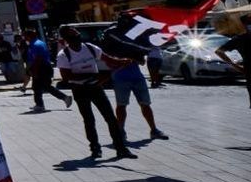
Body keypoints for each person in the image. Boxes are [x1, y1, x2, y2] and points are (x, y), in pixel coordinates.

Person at [56, 25, 136, 160]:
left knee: (111, 118)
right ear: (66, 39)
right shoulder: (64, 55)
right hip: (80, 90)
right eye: (73, 35)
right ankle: (95, 148)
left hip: (95, 87)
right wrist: (92, 76)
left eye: (77, 33)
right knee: (89, 120)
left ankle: (121, 148)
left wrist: (121, 61)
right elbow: (66, 76)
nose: (77, 36)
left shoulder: (90, 48)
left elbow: (108, 59)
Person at [109, 48, 167, 140]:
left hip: (138, 78)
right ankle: (120, 131)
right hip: (120, 79)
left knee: (145, 104)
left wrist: (133, 57)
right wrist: (121, 60)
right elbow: (108, 62)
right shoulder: (114, 46)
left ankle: (154, 130)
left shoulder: (133, 47)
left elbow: (142, 62)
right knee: (121, 105)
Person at [25, 29, 70, 112]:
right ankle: (39, 104)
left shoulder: (35, 45)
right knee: (39, 87)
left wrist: (35, 71)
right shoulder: (39, 43)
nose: (25, 38)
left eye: (25, 36)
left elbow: (38, 59)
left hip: (42, 68)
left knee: (42, 86)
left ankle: (63, 98)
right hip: (43, 67)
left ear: (29, 36)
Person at [216, 14, 251, 109]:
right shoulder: (240, 39)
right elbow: (219, 51)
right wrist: (235, 66)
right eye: (249, 23)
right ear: (243, 25)